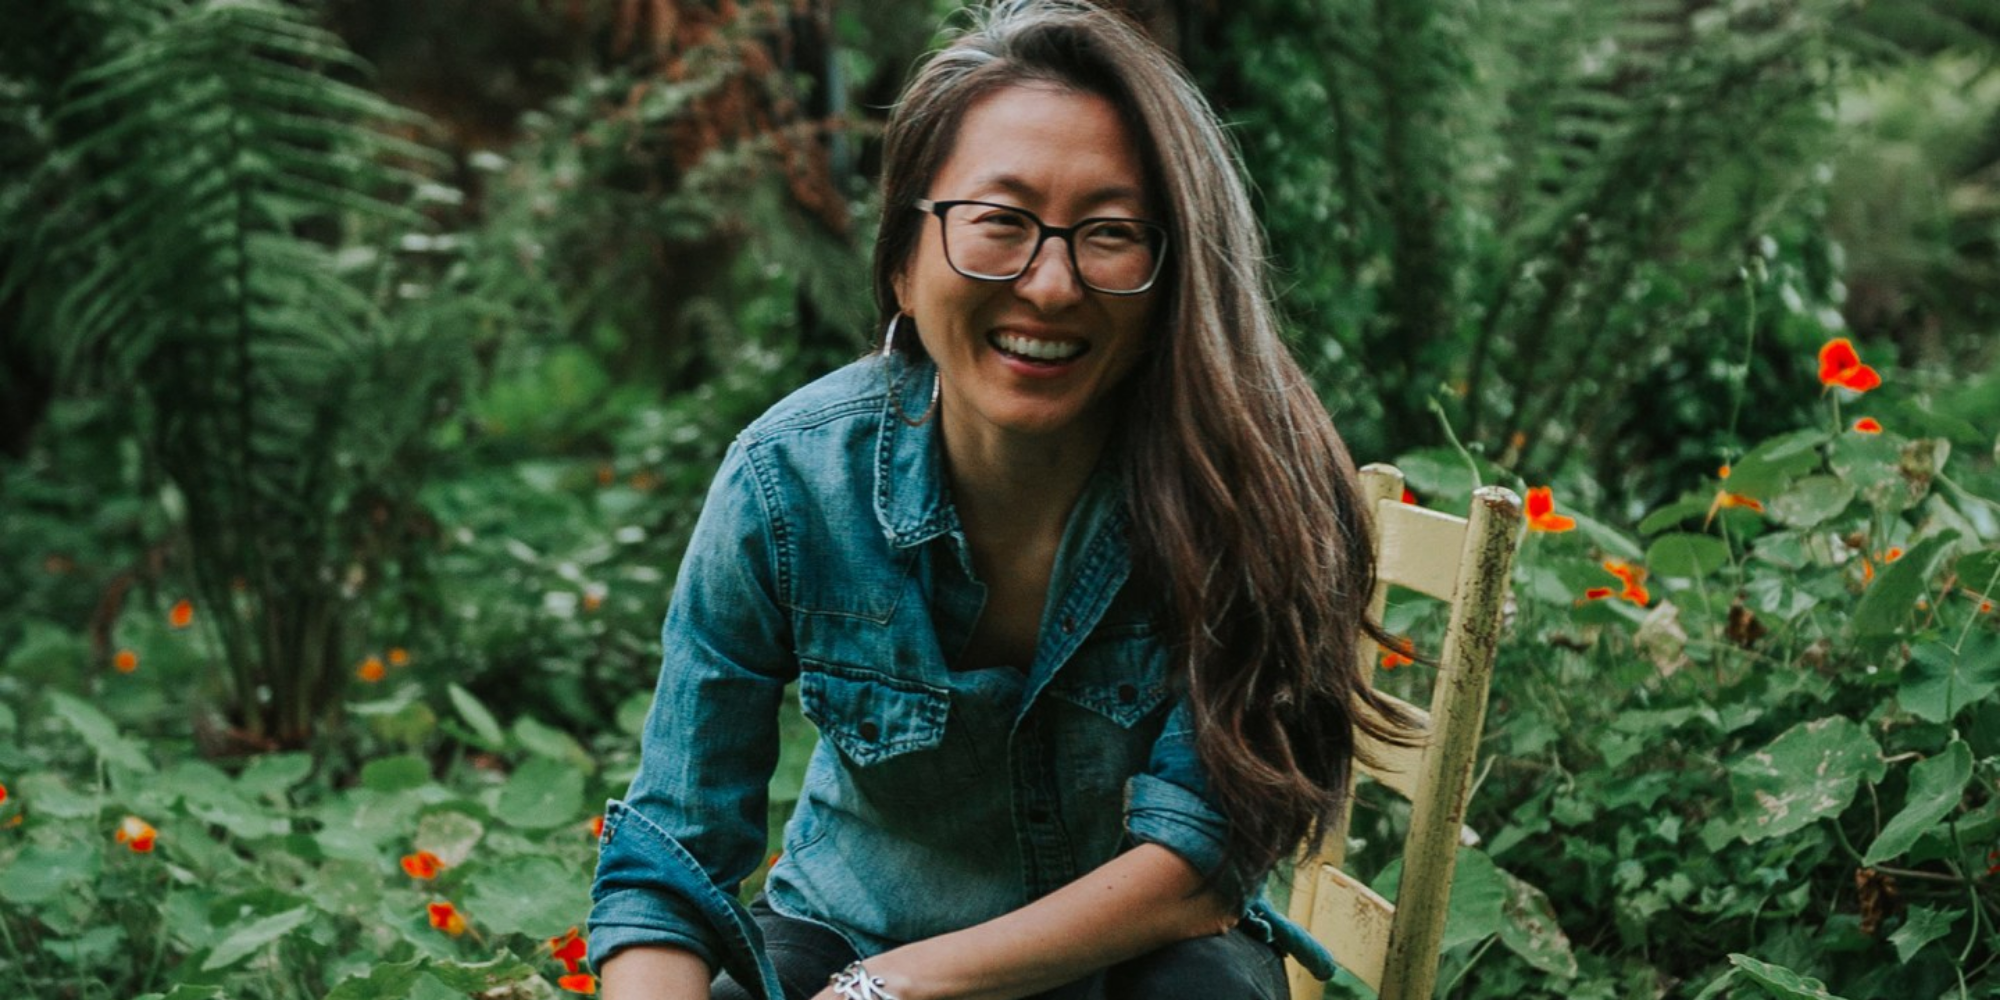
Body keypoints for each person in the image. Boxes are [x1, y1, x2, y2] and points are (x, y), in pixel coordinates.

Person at [588, 2, 1411, 997]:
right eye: (998, 223)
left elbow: (1200, 860)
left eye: (1109, 234)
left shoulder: (1243, 484)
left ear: (1172, 277)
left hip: (1131, 954)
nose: (1051, 284)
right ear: (902, 258)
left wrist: (887, 990)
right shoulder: (788, 482)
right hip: (845, 923)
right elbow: (670, 856)